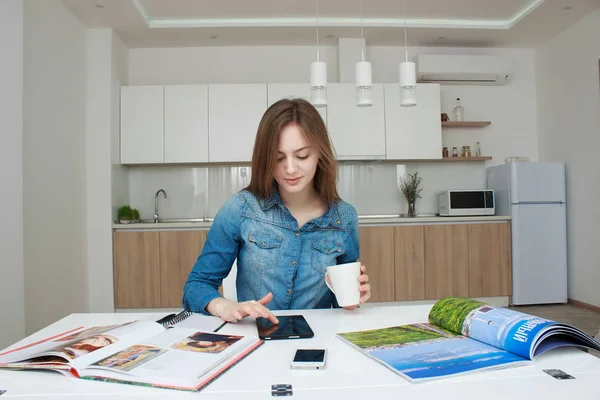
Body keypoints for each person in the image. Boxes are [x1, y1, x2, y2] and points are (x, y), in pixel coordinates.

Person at [182, 98, 371, 323]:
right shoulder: (241, 208)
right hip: (256, 340)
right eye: (278, 157)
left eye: (302, 156)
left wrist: (353, 298)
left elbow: (343, 296)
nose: (290, 168)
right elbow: (196, 286)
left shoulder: (344, 217)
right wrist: (226, 306)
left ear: (320, 153)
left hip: (317, 341)